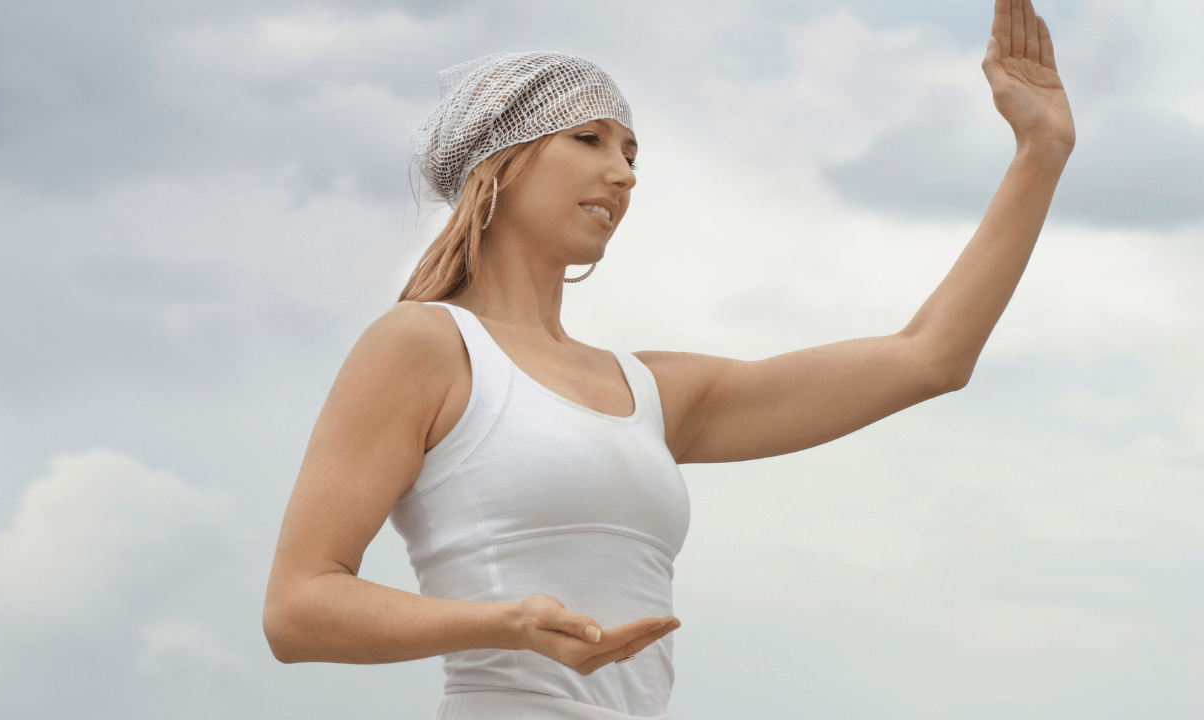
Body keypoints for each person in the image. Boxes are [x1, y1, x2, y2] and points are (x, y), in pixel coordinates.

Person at [262, 1, 1075, 717]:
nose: (622, 174)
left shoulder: (651, 391)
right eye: (589, 140)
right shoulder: (423, 344)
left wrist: (1039, 154)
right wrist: (505, 624)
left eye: (633, 154)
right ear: (497, 167)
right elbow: (298, 609)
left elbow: (927, 358)